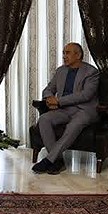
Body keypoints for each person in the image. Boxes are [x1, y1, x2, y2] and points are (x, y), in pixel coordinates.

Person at [31, 43, 100, 174]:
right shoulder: (60, 71)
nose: (64, 56)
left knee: (74, 125)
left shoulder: (91, 72)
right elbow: (48, 89)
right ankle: (57, 160)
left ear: (78, 55)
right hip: (64, 109)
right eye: (63, 53)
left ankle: (49, 160)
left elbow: (86, 95)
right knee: (44, 119)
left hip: (83, 110)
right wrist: (49, 98)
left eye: (67, 53)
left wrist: (58, 101)